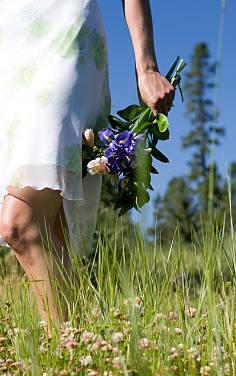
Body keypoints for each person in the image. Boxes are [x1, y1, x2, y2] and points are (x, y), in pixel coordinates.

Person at [0, 0, 174, 335]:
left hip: (67, 39)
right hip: (12, 50)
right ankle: (82, 363)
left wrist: (147, 67)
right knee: (53, 231)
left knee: (19, 224)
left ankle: (69, 353)